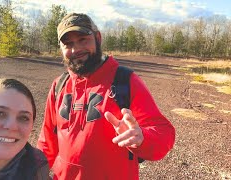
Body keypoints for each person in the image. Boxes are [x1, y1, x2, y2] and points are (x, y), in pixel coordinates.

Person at [37, 13, 175, 180]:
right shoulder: (59, 86)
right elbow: (47, 141)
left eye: (83, 40)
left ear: (98, 38)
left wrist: (142, 138)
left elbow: (163, 133)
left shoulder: (125, 81)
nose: (76, 50)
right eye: (68, 44)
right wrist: (34, 172)